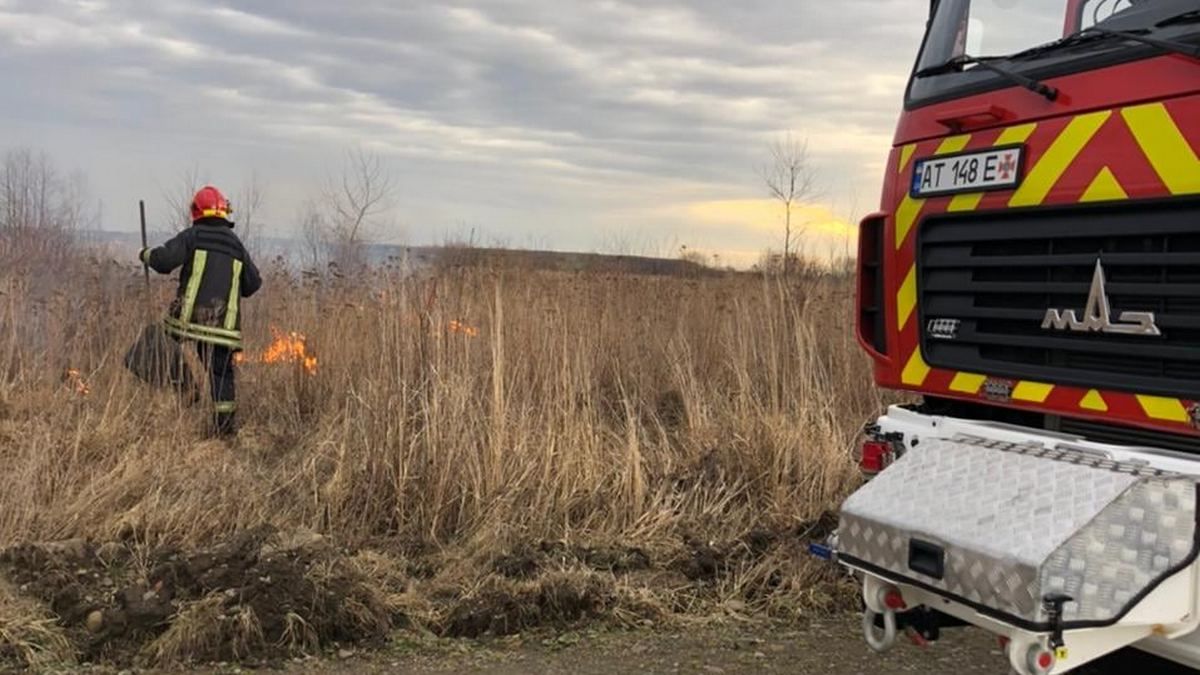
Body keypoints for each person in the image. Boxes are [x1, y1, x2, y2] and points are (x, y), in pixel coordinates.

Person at [139, 185, 261, 437]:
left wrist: (146, 254)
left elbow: (163, 262)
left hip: (188, 320)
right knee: (221, 374)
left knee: (151, 344)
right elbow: (253, 284)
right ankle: (224, 431)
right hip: (224, 329)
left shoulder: (194, 236)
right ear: (224, 212)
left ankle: (186, 388)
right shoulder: (236, 245)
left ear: (196, 211)